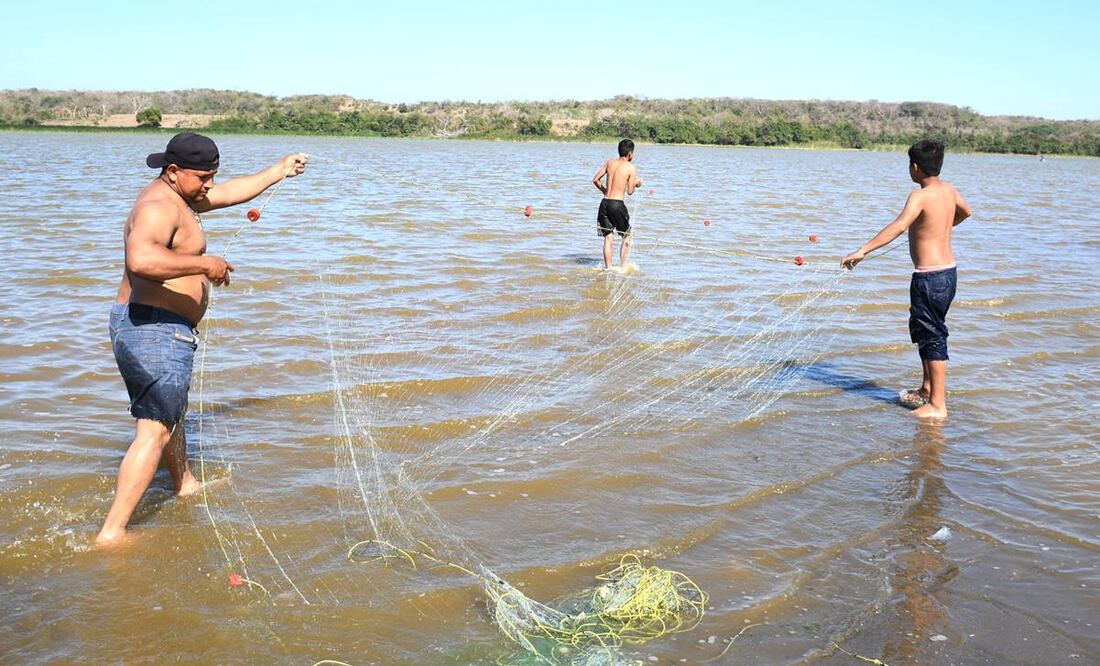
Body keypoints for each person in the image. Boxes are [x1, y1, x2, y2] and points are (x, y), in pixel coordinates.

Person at [98, 132, 308, 545]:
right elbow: (141, 259)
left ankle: (185, 484)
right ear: (173, 171)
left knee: (170, 413)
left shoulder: (180, 197)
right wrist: (204, 263)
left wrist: (279, 170)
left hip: (156, 327)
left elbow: (231, 192)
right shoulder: (158, 206)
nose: (210, 184)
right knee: (155, 427)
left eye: (212, 175)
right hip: (152, 328)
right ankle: (112, 533)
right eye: (203, 177)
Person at [842, 140, 972, 419]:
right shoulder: (949, 190)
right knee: (924, 330)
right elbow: (966, 211)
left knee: (933, 335)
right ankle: (927, 389)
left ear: (915, 167)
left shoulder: (919, 195)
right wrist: (935, 228)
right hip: (948, 273)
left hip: (929, 277)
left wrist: (862, 250)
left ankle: (938, 405)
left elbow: (900, 226)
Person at [592, 138, 643, 270]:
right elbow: (630, 191)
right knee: (627, 235)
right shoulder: (631, 168)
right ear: (630, 153)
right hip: (617, 204)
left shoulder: (610, 163)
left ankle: (608, 269)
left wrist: (605, 191)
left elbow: (595, 179)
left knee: (608, 238)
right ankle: (623, 267)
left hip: (604, 204)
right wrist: (637, 183)